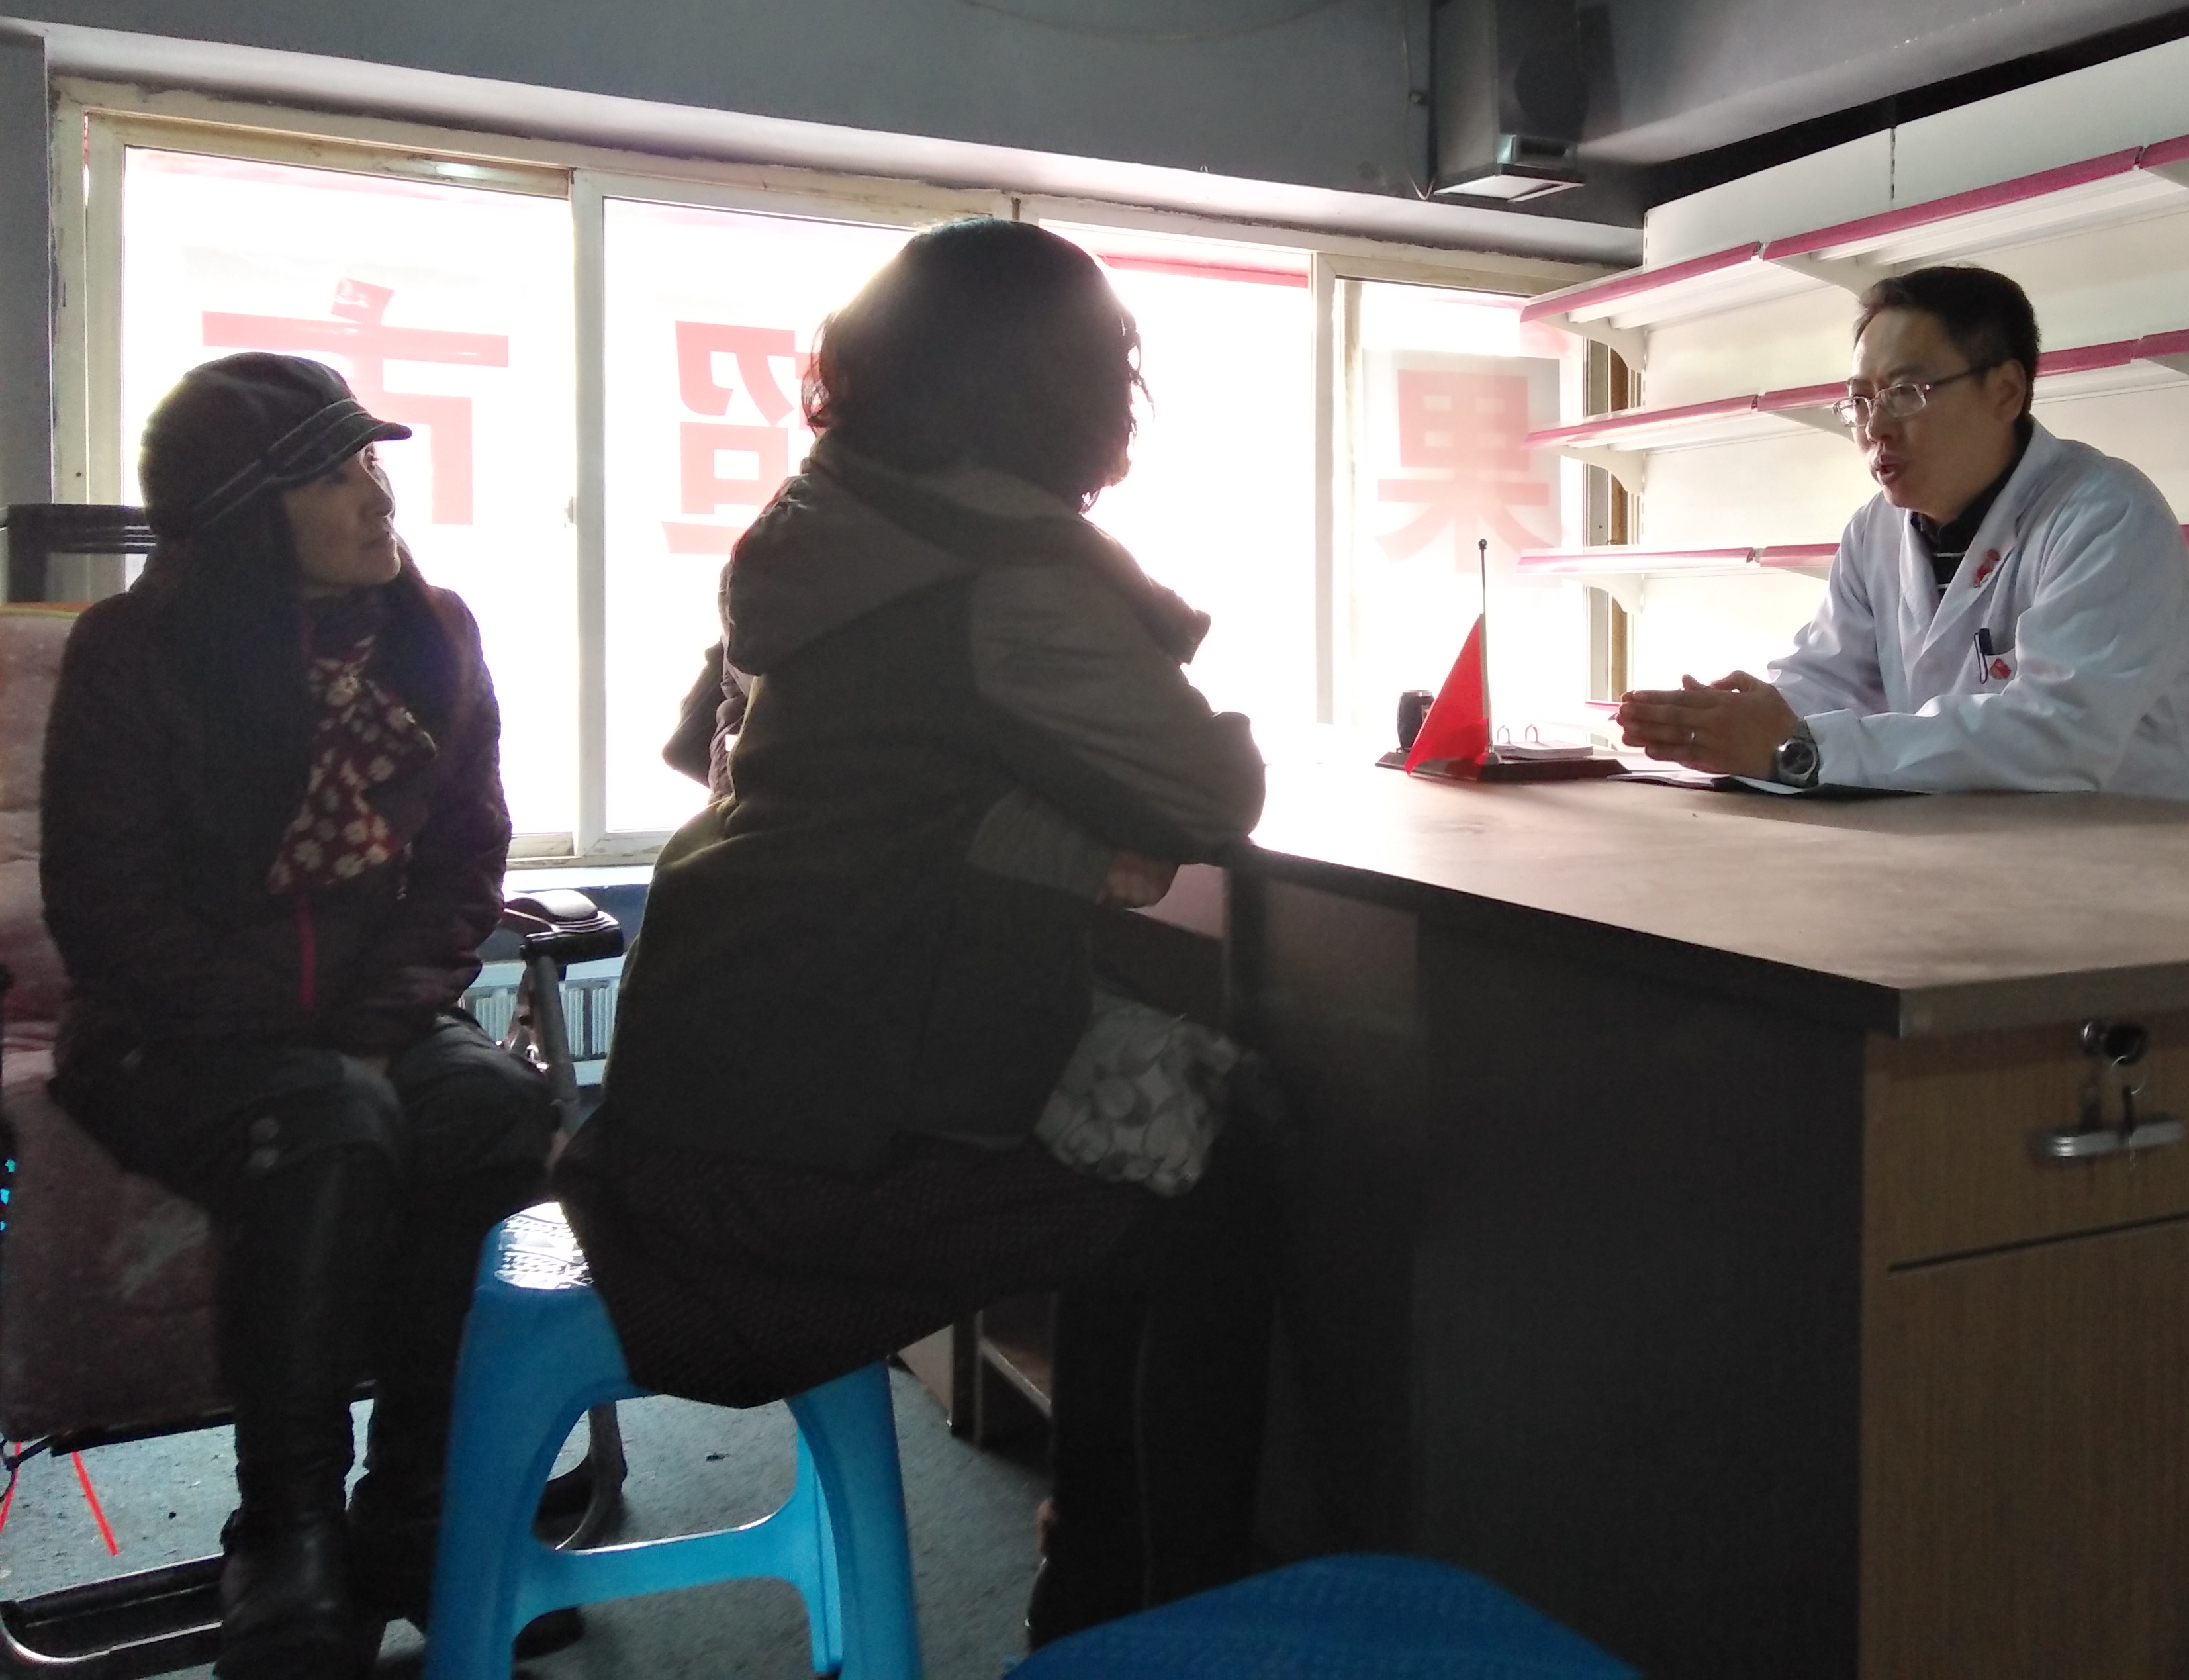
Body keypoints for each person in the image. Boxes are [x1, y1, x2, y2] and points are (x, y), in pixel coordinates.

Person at [556, 217, 1275, 1646]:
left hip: (694, 1093)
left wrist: (1013, 826)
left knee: (1166, 1143)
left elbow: (718, 753)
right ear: (1061, 386)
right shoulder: (1011, 574)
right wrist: (1054, 838)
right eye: (1115, 368)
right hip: (806, 1159)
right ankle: (1158, 1630)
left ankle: (1096, 1597)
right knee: (1227, 1161)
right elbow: (1211, 792)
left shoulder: (819, 524)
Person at [41, 354, 556, 1679]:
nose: (376, 495)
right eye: (330, 475)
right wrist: (304, 1034)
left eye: (370, 462)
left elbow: (466, 862)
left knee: (494, 1106)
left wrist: (377, 1019)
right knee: (327, 1121)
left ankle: (421, 1513)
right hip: (173, 1031)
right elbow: (110, 910)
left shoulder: (434, 636)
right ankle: (288, 1534)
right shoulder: (134, 654)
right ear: (239, 515)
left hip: (373, 1019)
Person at [1620, 264, 2189, 800]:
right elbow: (1829, 684)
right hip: (1986, 851)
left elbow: (2056, 739)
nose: (1876, 428)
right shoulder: (1875, 533)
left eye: (1904, 393)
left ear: (2005, 392)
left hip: (2169, 865)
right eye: (1860, 401)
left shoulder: (2106, 515)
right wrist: (1739, 722)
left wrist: (1800, 749)